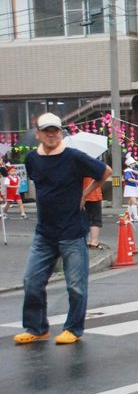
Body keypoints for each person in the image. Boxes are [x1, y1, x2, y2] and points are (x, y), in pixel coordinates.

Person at [13, 113, 111, 345]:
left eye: (55, 130)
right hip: (44, 233)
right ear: (37, 133)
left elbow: (104, 171)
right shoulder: (31, 159)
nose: (51, 134)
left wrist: (85, 195)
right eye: (46, 130)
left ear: (61, 133)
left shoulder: (73, 157)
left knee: (75, 285)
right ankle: (37, 328)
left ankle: (73, 329)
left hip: (72, 231)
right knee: (31, 281)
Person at [83, 177, 104, 248]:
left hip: (80, 195)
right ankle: (94, 241)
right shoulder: (93, 166)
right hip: (94, 194)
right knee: (95, 219)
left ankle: (84, 240)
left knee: (82, 218)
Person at [123, 156, 138, 222]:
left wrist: (132, 170)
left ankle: (127, 216)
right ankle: (136, 216)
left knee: (130, 203)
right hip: (129, 187)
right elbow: (129, 179)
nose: (134, 164)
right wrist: (137, 181)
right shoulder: (126, 171)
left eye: (134, 163)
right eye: (133, 163)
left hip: (135, 187)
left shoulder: (134, 169)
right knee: (134, 202)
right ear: (130, 164)